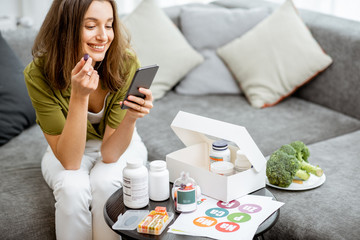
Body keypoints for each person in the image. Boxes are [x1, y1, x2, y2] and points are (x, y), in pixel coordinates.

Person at [24, 0, 152, 239]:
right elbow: (71, 161)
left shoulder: (125, 63)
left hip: (120, 143)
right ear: (66, 28)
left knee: (106, 183)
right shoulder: (38, 74)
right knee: (72, 188)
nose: (104, 36)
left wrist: (131, 117)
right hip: (65, 147)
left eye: (109, 25)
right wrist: (79, 97)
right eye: (91, 26)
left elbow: (111, 154)